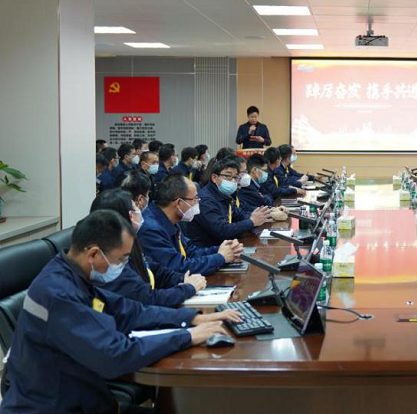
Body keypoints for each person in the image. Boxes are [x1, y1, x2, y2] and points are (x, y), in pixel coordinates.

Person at [0, 210, 238, 414]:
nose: (124, 266)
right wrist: (187, 336)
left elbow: (128, 311)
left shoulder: (74, 274)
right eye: (122, 259)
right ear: (93, 254)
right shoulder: (58, 293)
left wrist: (193, 318)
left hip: (83, 397)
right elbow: (115, 355)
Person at [90, 189, 206, 308]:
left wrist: (183, 279)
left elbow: (156, 271)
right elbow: (147, 299)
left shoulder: (132, 243)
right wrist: (187, 289)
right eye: (135, 208)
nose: (140, 211)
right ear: (129, 216)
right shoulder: (111, 258)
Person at [137, 174, 243, 275]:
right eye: (195, 199)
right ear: (179, 203)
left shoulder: (169, 218)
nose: (198, 202)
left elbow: (190, 252)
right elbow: (178, 267)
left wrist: (223, 249)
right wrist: (220, 257)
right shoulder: (150, 229)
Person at [184, 158, 271, 247]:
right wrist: (251, 222)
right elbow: (222, 231)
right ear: (214, 178)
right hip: (209, 250)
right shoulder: (205, 200)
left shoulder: (224, 195)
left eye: (235, 177)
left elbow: (240, 215)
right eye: (228, 176)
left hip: (225, 246)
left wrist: (263, 215)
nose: (233, 181)